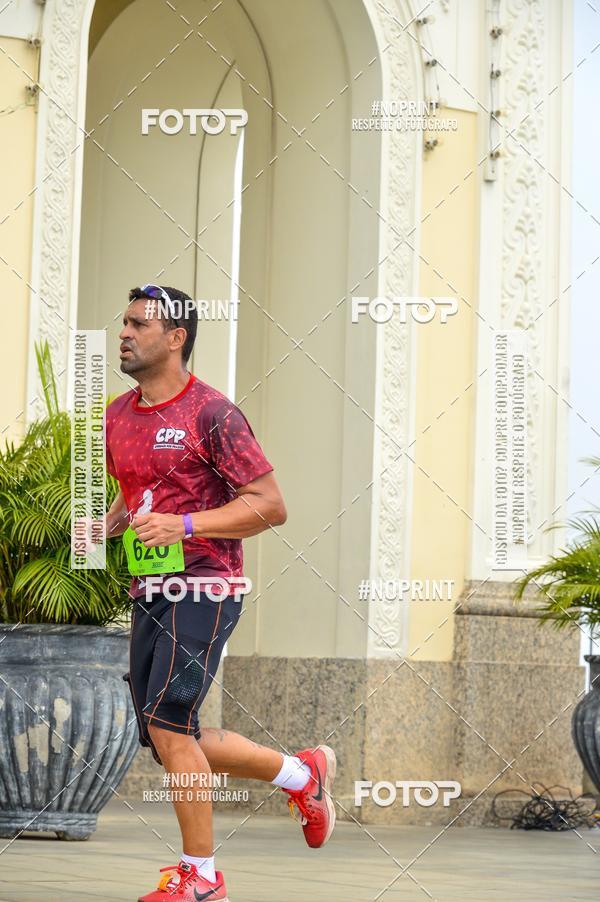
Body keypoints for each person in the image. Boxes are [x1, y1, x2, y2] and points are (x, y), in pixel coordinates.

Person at [104, 285, 336, 902]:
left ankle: (201, 879)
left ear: (176, 337)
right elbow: (138, 491)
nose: (123, 333)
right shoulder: (118, 415)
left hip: (207, 582)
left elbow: (270, 507)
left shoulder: (213, 414)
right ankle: (299, 772)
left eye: (137, 324)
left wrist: (184, 526)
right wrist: (108, 524)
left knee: (172, 728)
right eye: (122, 323)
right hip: (149, 584)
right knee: (165, 732)